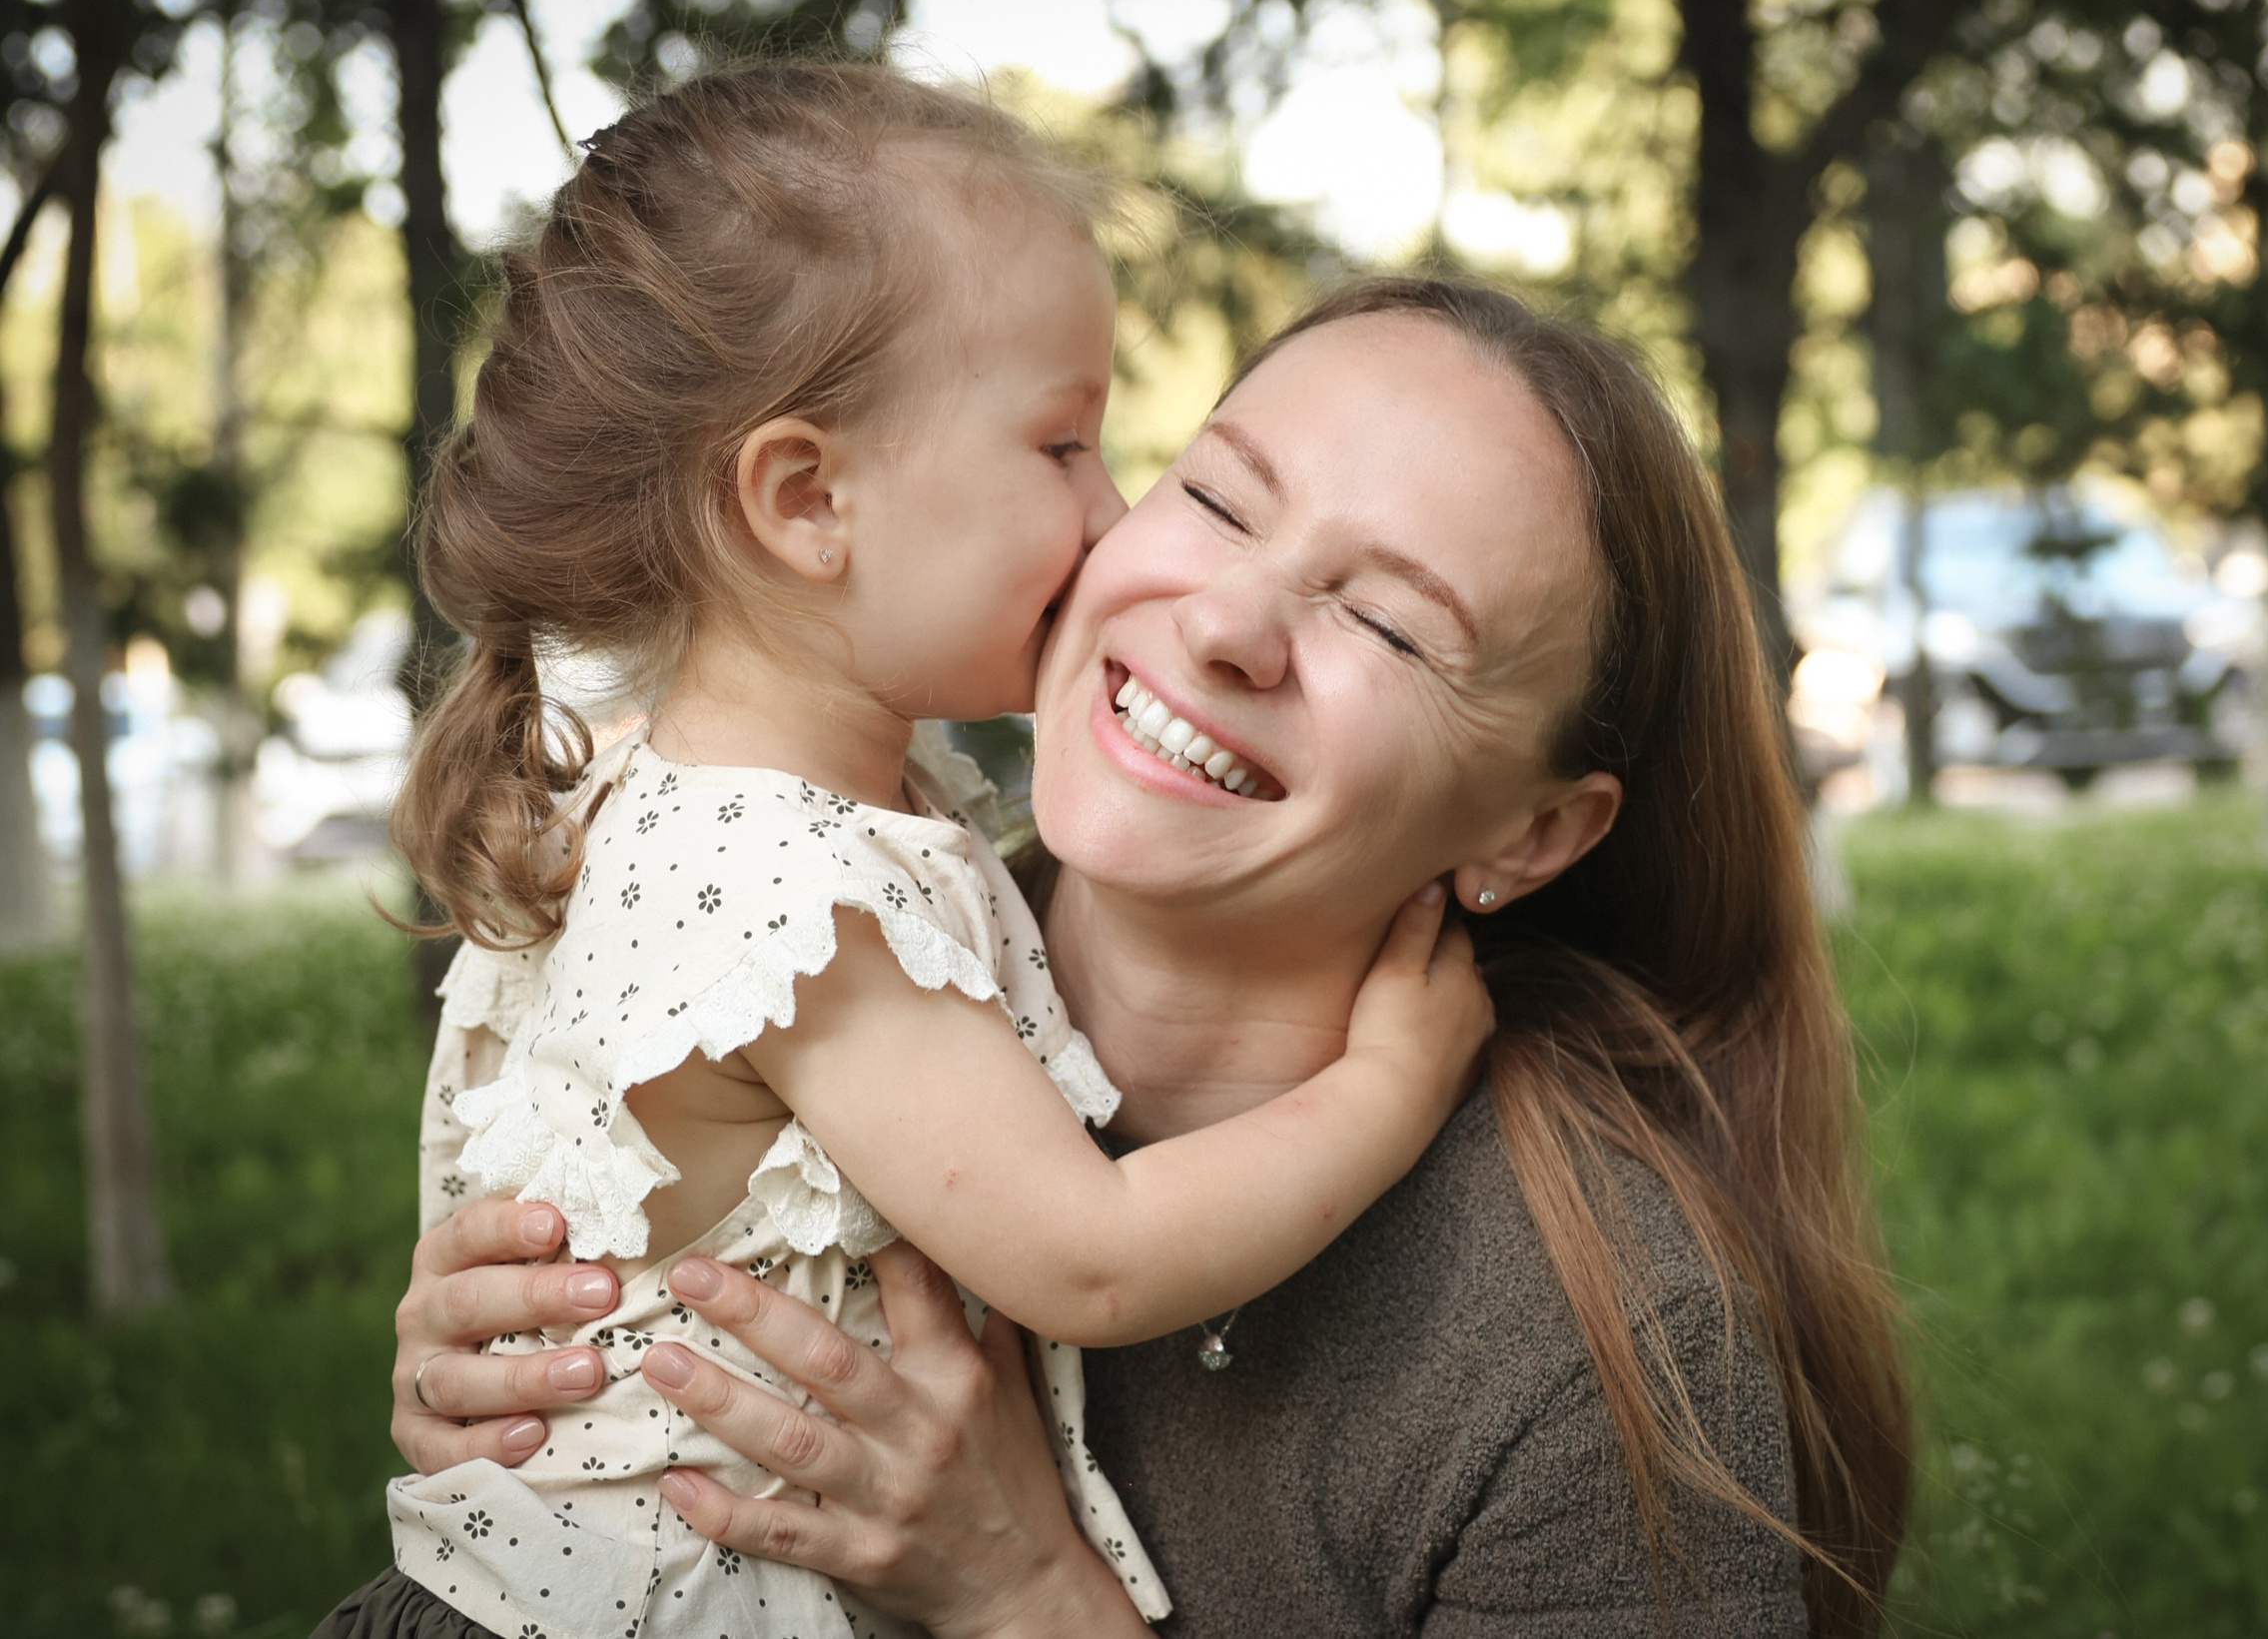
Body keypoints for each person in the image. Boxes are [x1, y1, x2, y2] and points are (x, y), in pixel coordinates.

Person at [387, 277, 1914, 1635]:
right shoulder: (823, 940)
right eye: (1224, 502)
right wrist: (545, 1384)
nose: (1231, 620)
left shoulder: (1595, 1360)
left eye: (1387, 624)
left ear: (1531, 834)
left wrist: (1029, 1607)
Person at [324, 67, 1491, 1639]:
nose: (1114, 510)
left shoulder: (696, 798)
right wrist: (1390, 1088)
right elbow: (1089, 1262)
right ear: (809, 499)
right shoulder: (795, 905)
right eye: (1063, 444)